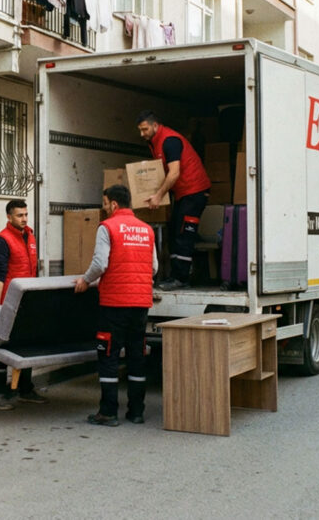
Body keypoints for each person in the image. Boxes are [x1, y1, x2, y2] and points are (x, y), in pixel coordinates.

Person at [74, 184, 157, 427]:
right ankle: (137, 411)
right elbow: (154, 268)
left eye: (105, 204)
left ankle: (108, 412)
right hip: (141, 303)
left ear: (113, 204)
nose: (105, 208)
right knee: (136, 356)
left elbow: (100, 263)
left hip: (115, 302)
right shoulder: (146, 230)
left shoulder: (107, 227)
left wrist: (85, 280)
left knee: (108, 355)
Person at [136, 111, 211, 291]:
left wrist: (158, 196)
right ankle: (176, 276)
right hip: (183, 193)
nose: (142, 134)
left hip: (195, 190)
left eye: (145, 129)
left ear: (155, 126)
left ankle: (181, 278)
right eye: (139, 130)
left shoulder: (170, 141)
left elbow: (174, 172)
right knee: (175, 230)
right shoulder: (154, 142)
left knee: (183, 233)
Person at [0, 199, 48, 410]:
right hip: (9, 301)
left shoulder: (29, 236)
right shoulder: (3, 240)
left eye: (25, 214)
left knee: (27, 344)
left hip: (28, 301)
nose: (24, 219)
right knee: (3, 347)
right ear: (9, 217)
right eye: (19, 215)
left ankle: (25, 389)